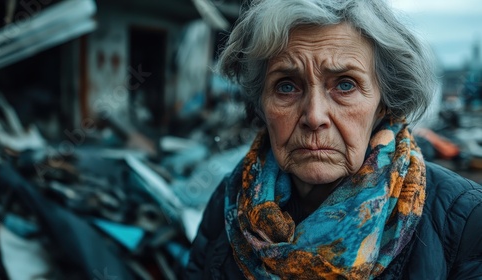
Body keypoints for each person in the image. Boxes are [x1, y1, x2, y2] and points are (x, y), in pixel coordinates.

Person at [185, 0, 482, 279]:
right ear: (261, 104)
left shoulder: (465, 219)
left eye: (345, 84)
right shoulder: (229, 199)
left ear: (383, 104)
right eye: (287, 86)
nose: (314, 116)